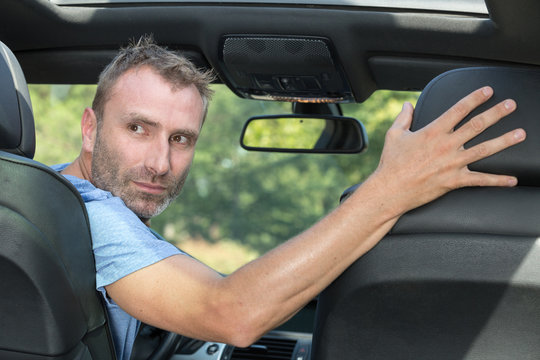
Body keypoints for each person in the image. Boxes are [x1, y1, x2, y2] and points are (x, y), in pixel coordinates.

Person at [54, 36, 526, 360]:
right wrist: (392, 187)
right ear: (90, 129)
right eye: (138, 128)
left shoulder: (33, 198)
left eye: (181, 139)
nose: (160, 162)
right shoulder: (91, 215)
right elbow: (232, 313)